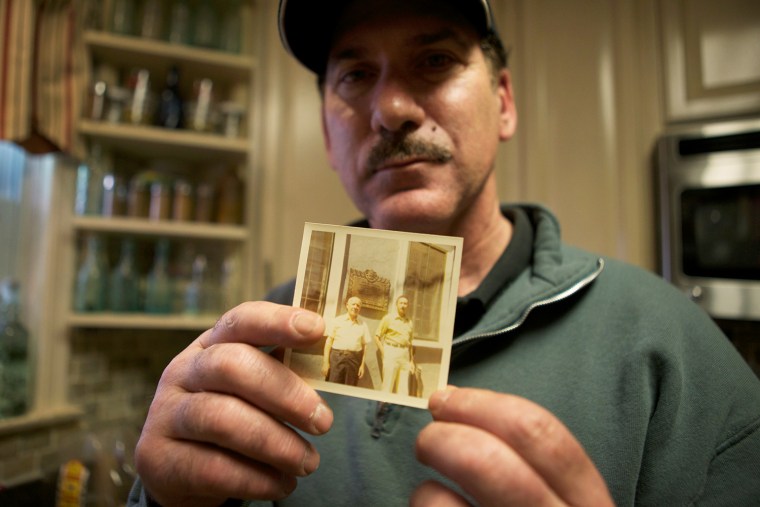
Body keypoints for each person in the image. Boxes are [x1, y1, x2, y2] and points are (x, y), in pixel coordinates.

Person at [129, 0, 760, 505]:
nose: (391, 110)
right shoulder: (261, 345)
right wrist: (159, 498)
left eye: (433, 60)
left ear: (504, 101)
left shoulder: (670, 346)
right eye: (355, 75)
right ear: (327, 132)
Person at [321, 296, 371, 386]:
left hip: (354, 360)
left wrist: (362, 365)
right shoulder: (337, 321)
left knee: (349, 387)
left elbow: (365, 347)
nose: (355, 307)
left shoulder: (363, 325)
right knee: (332, 386)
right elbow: (328, 343)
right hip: (336, 358)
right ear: (347, 305)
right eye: (353, 304)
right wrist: (326, 362)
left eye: (358, 305)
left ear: (360, 308)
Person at [375, 295, 415, 394]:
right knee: (387, 386)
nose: (403, 305)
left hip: (405, 355)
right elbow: (377, 337)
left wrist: (411, 361)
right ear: (396, 305)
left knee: (403, 389)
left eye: (405, 303)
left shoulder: (409, 322)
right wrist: (385, 352)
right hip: (391, 351)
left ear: (407, 306)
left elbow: (410, 343)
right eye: (401, 303)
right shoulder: (388, 318)